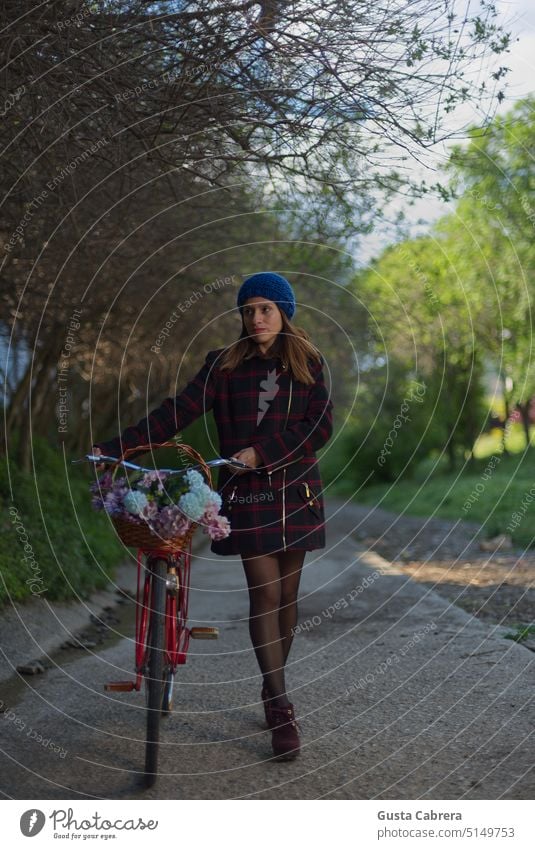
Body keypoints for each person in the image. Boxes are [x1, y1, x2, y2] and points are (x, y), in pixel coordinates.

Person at [91, 271, 333, 761]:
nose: (256, 318)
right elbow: (177, 411)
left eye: (265, 308)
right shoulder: (222, 366)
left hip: (296, 490)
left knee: (288, 595)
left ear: (285, 312)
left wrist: (261, 454)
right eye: (248, 310)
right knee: (264, 592)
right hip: (245, 497)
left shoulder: (310, 364)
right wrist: (118, 446)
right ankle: (281, 705)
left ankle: (271, 687)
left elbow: (318, 428)